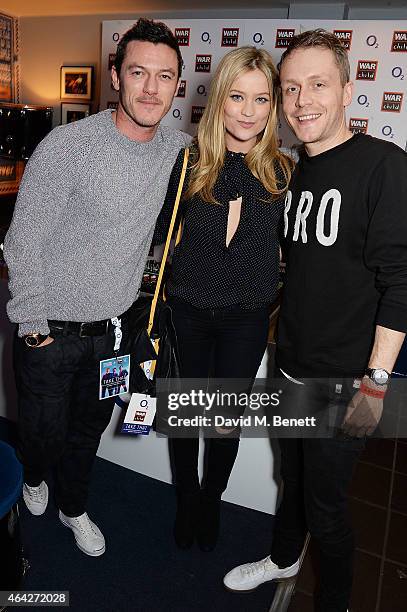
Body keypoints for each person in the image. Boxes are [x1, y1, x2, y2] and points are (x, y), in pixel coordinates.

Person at [223, 29, 407, 612]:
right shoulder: (293, 170)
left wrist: (376, 382)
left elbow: (401, 283)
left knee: (327, 510)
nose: (303, 101)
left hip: (345, 381)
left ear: (348, 90)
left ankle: (332, 601)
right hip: (291, 366)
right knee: (292, 483)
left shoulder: (384, 166)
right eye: (292, 88)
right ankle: (282, 558)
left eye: (318, 85)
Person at [3, 17, 190, 557]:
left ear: (177, 84)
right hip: (51, 337)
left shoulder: (176, 151)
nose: (151, 88)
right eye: (139, 72)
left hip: (112, 337)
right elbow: (23, 242)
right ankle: (35, 477)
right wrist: (35, 328)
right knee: (41, 437)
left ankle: (74, 507)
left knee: (88, 434)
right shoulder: (67, 148)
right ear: (116, 75)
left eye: (164, 76)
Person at [155, 46, 293, 552]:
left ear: (273, 106)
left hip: (246, 318)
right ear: (219, 101)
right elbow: (157, 235)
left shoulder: (285, 171)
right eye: (238, 96)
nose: (249, 110)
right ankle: (187, 498)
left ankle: (211, 498)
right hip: (187, 312)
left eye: (261, 99)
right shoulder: (187, 163)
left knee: (223, 421)